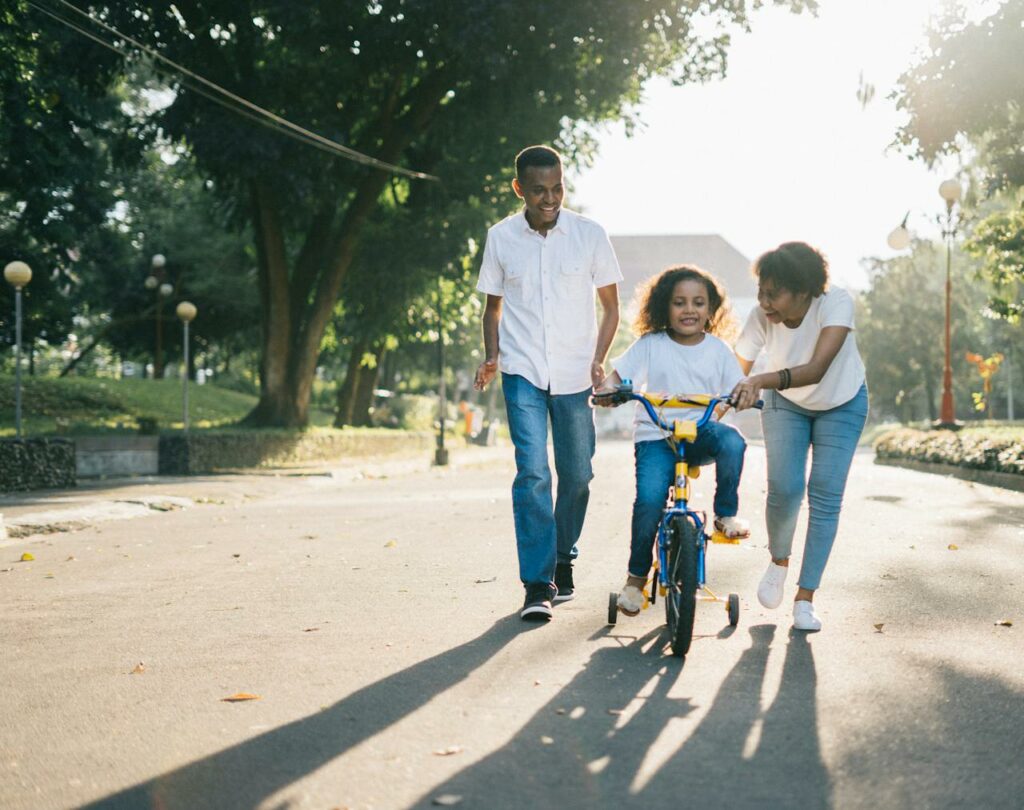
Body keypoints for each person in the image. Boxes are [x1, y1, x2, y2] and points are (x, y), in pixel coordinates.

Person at [473, 145, 622, 622]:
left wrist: (599, 359)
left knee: (577, 475)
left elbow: (611, 307)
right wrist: (493, 356)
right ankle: (537, 583)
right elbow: (492, 308)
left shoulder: (589, 234)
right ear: (520, 189)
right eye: (539, 190)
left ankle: (563, 557)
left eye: (557, 188)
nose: (550, 198)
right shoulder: (500, 238)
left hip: (577, 373)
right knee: (534, 472)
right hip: (522, 372)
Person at [596, 265, 750, 616]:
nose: (689, 310)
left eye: (698, 302)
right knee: (650, 500)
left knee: (734, 443)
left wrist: (739, 397)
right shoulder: (651, 344)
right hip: (656, 436)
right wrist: (608, 390)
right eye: (679, 302)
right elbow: (616, 377)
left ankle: (725, 514)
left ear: (711, 309)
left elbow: (736, 388)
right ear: (665, 306)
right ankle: (635, 581)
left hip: (698, 434)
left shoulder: (718, 350)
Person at [730, 241, 868, 632]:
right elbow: (734, 370)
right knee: (785, 488)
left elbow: (817, 368)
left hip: (842, 401)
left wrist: (759, 379)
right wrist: (720, 402)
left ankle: (805, 599)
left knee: (825, 493)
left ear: (804, 291)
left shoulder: (835, 304)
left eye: (773, 293)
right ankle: (778, 561)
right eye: (761, 291)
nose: (764, 301)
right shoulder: (761, 317)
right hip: (785, 404)